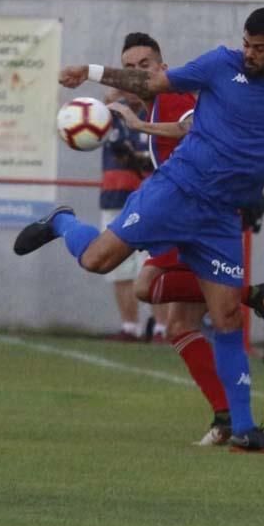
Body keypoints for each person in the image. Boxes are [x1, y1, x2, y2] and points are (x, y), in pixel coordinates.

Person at [14, 8, 264, 453]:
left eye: (259, 49)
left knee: (225, 316)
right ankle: (62, 222)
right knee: (98, 261)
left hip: (222, 216)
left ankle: (243, 427)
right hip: (178, 191)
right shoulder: (220, 64)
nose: (249, 54)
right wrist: (88, 72)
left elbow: (193, 119)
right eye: (246, 43)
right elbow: (153, 85)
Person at [107, 31, 264, 446]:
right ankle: (227, 416)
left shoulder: (174, 95)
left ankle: (250, 293)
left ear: (161, 67)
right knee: (180, 324)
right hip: (182, 209)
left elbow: (190, 130)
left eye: (144, 66)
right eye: (128, 68)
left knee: (146, 286)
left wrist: (137, 124)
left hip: (195, 212)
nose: (136, 74)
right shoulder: (152, 99)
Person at [98, 84, 152, 341]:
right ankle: (130, 326)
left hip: (148, 201)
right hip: (114, 196)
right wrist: (104, 107)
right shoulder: (110, 117)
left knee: (151, 266)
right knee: (118, 268)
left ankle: (161, 328)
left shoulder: (154, 114)